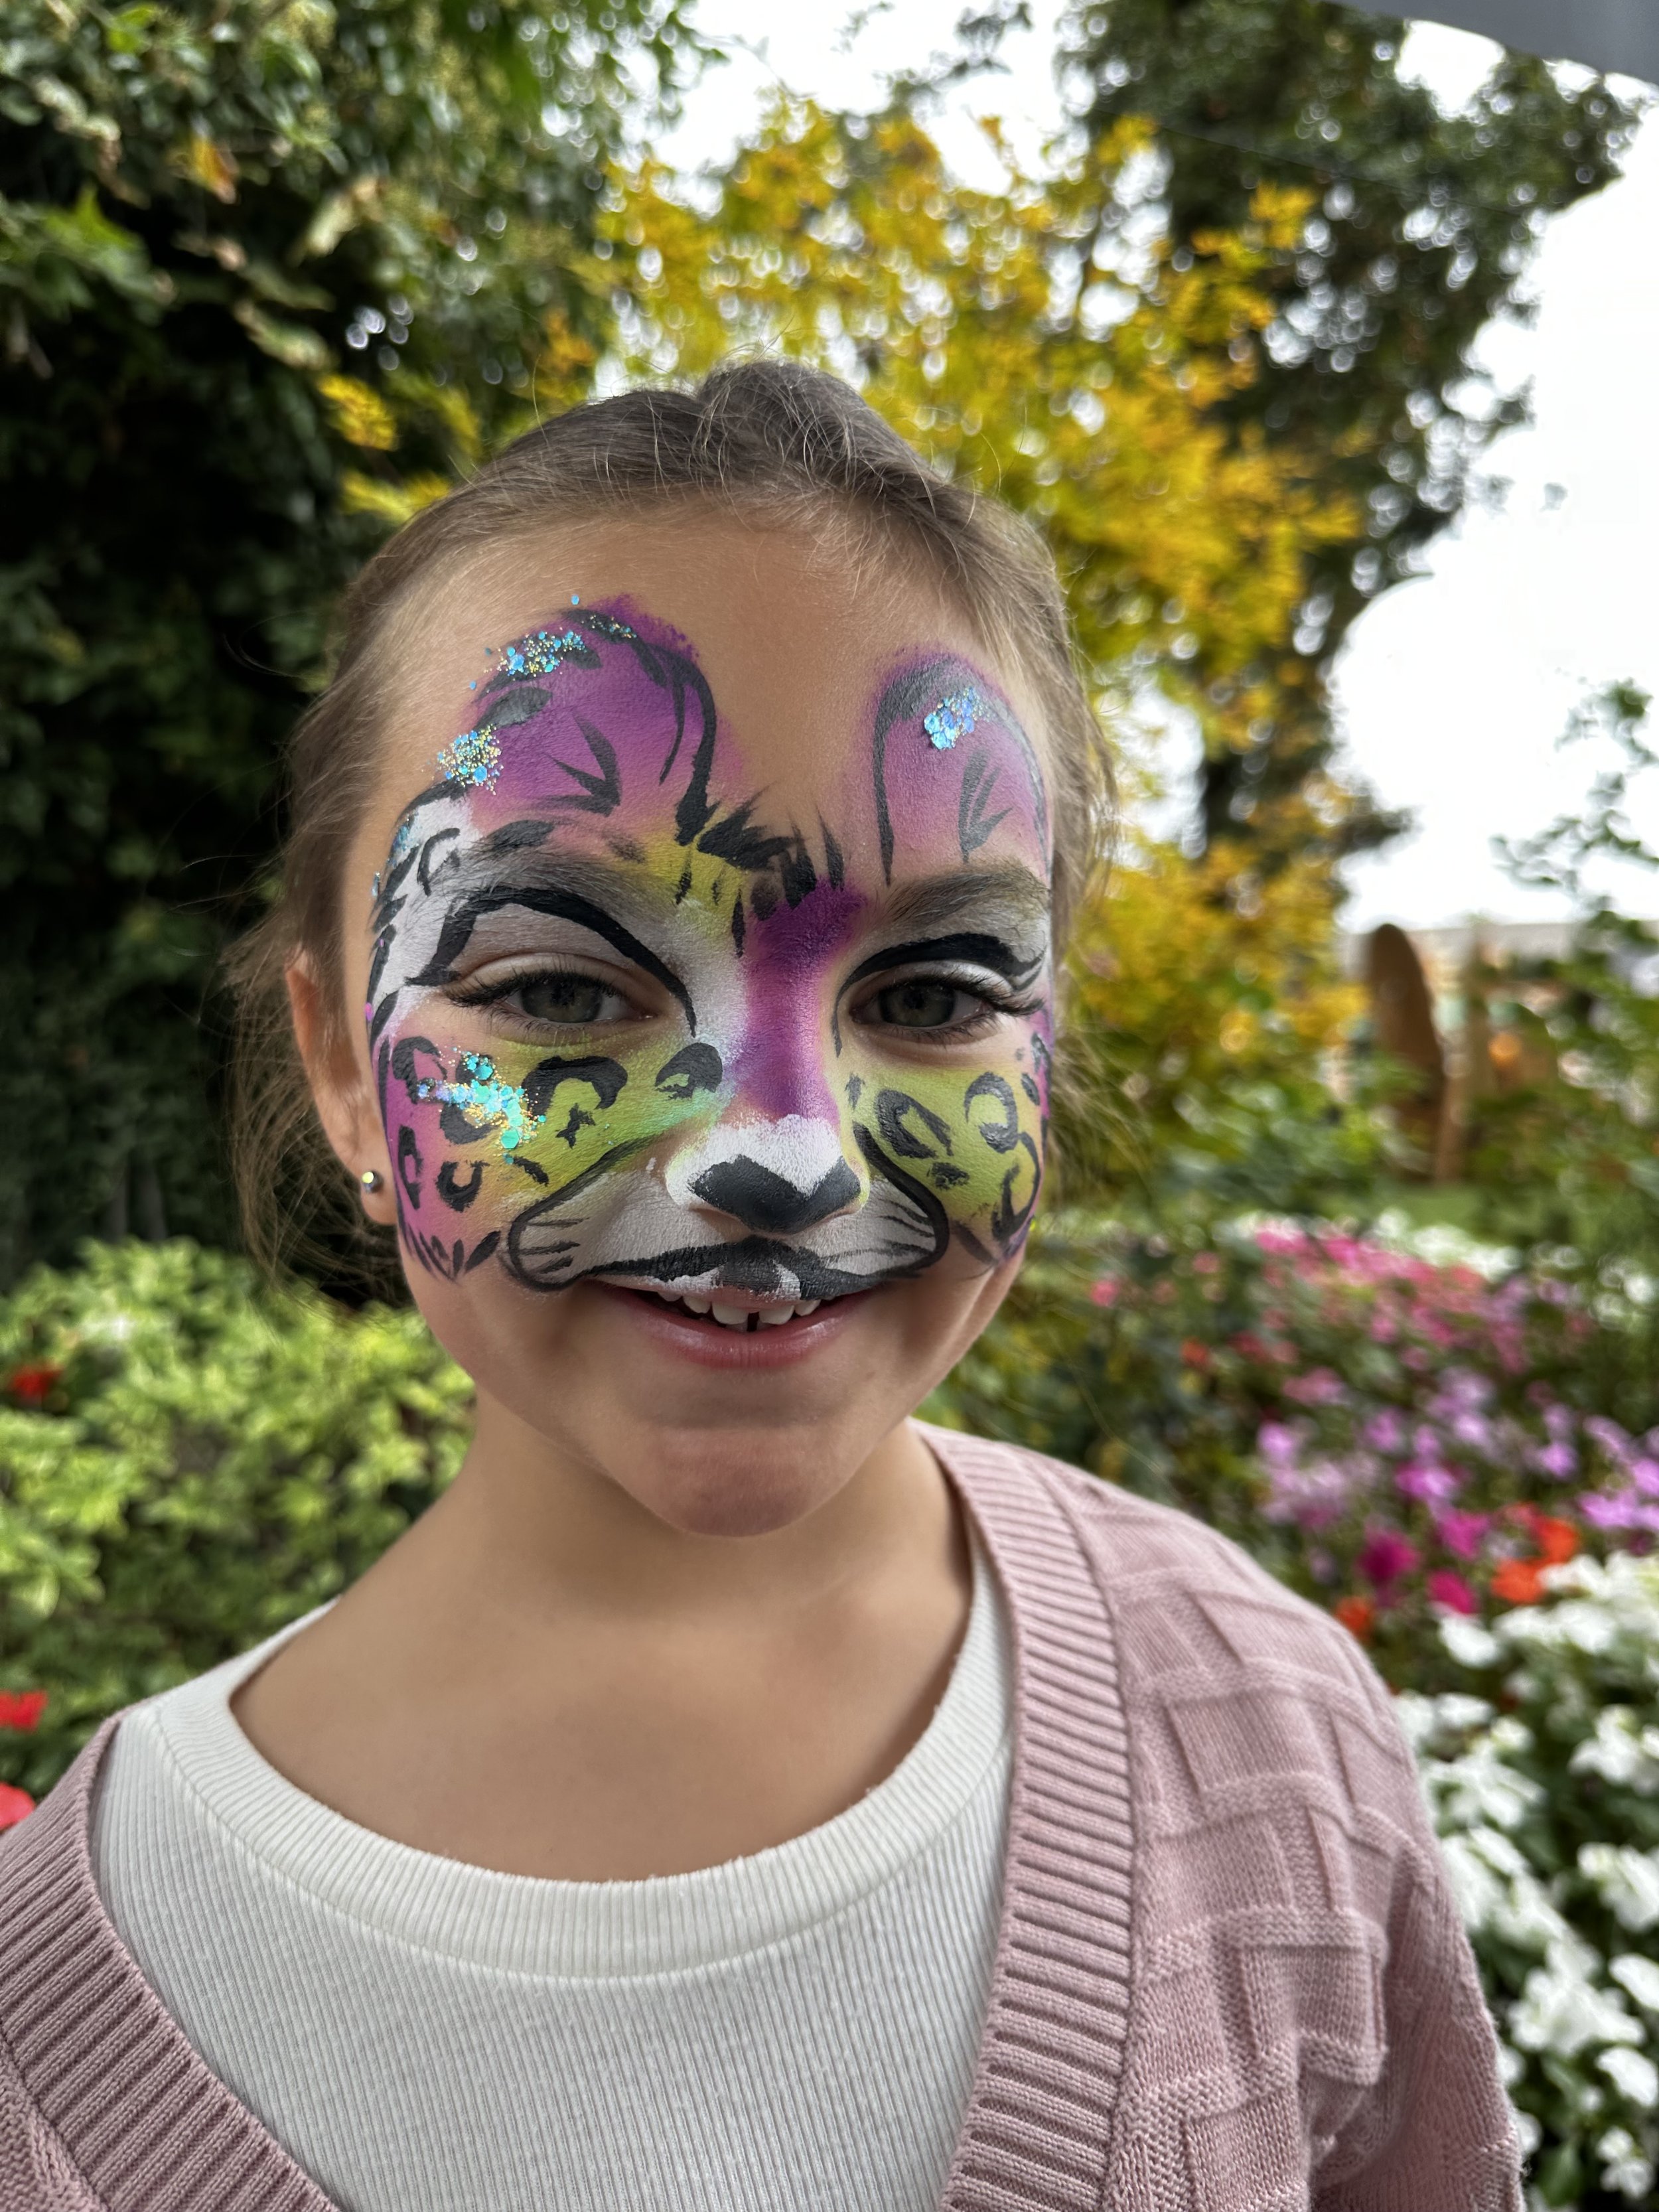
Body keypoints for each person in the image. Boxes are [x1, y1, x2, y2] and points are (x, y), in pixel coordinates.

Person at [0, 362, 1522, 2212]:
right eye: (560, 988)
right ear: (335, 1062)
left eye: (935, 994)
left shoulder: (1268, 1742)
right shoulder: (51, 2023)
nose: (782, 1152)